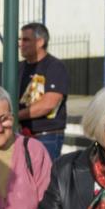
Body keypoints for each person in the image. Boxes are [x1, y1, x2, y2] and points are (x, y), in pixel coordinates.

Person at [17, 22, 70, 160]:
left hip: (46, 136)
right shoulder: (19, 68)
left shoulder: (54, 67)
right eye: (20, 39)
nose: (20, 44)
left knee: (45, 173)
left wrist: (15, 116)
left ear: (40, 42)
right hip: (21, 133)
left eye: (26, 40)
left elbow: (48, 104)